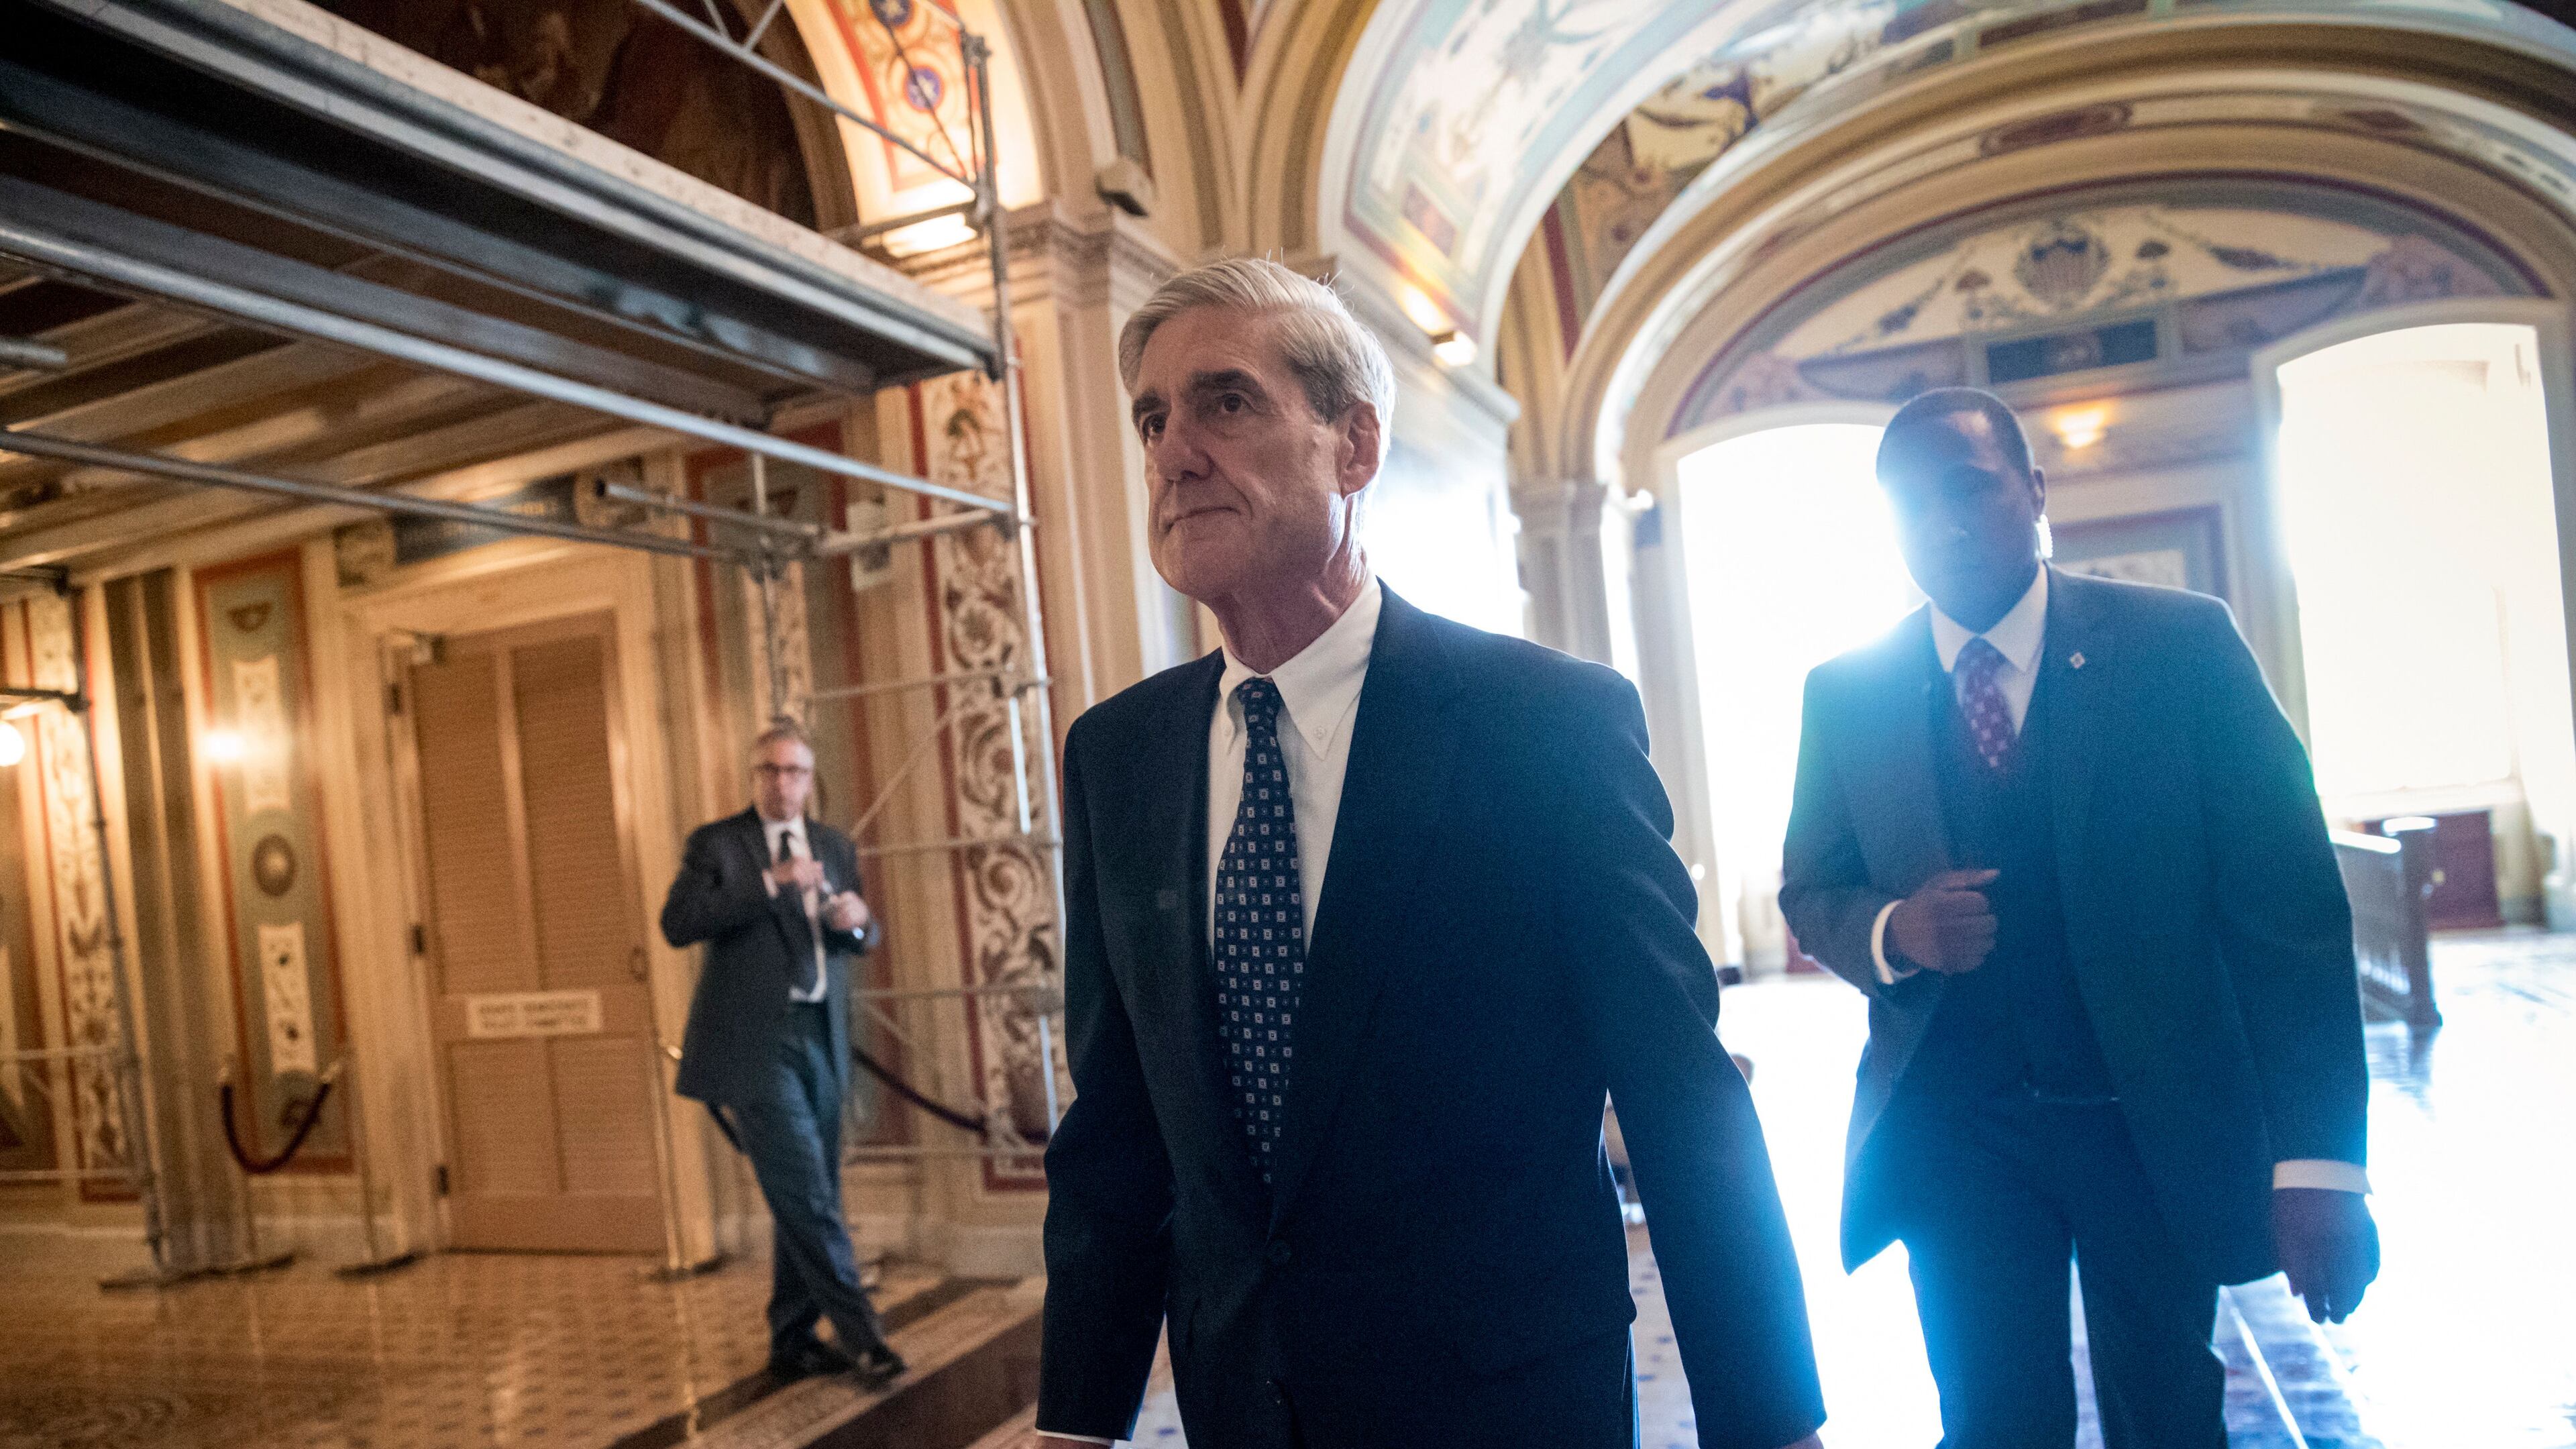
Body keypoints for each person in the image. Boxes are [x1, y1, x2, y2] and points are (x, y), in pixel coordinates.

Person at [1032, 257, 1827, 1449]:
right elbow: (1122, 1128)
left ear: (1354, 446)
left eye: (1225, 402)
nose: (1174, 452)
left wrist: (1766, 1417)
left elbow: (1679, 1094)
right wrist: (1076, 1420)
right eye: (1153, 417)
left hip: (1503, 1395)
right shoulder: (1119, 756)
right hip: (1243, 1403)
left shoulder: (1544, 724)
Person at [1779, 387, 2379, 1447]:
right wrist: (1894, 934)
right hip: (1957, 1134)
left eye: (1972, 488)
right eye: (1913, 504)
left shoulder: (2181, 648)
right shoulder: (1846, 692)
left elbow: (2290, 919)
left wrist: (2320, 1166)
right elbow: (1812, 889)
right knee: (1991, 1419)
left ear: (2035, 492)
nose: (1947, 522)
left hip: (2145, 1120)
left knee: (2169, 1413)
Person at [661, 721, 905, 1387]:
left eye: (795, 771)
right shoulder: (719, 844)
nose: (783, 783)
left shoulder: (833, 845)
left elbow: (863, 935)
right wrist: (770, 885)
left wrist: (857, 922)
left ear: (810, 777)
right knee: (807, 1193)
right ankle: (866, 1339)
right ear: (753, 776)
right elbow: (677, 924)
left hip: (820, 1040)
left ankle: (792, 1339)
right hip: (754, 1045)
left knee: (809, 1191)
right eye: (770, 770)